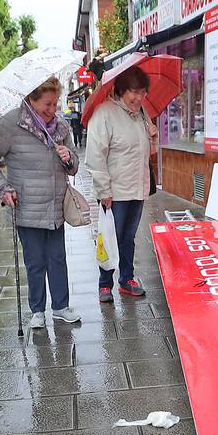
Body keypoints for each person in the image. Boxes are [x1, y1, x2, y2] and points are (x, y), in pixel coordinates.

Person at [0, 75, 81, 328]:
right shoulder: (12, 123)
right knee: (35, 261)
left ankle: (60, 306)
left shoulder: (61, 127)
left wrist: (69, 158)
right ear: (31, 100)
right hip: (25, 205)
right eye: (47, 104)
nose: (52, 110)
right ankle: (37, 310)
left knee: (57, 258)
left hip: (55, 206)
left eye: (55, 103)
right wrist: (2, 188)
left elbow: (74, 167)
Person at [85, 65, 157, 302]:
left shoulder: (142, 114)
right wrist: (103, 190)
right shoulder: (105, 114)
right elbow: (95, 155)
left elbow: (146, 153)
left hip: (137, 188)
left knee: (129, 237)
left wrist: (153, 138)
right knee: (109, 236)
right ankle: (104, 284)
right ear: (122, 91)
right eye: (134, 92)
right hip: (114, 191)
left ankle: (126, 279)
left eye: (143, 92)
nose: (139, 98)